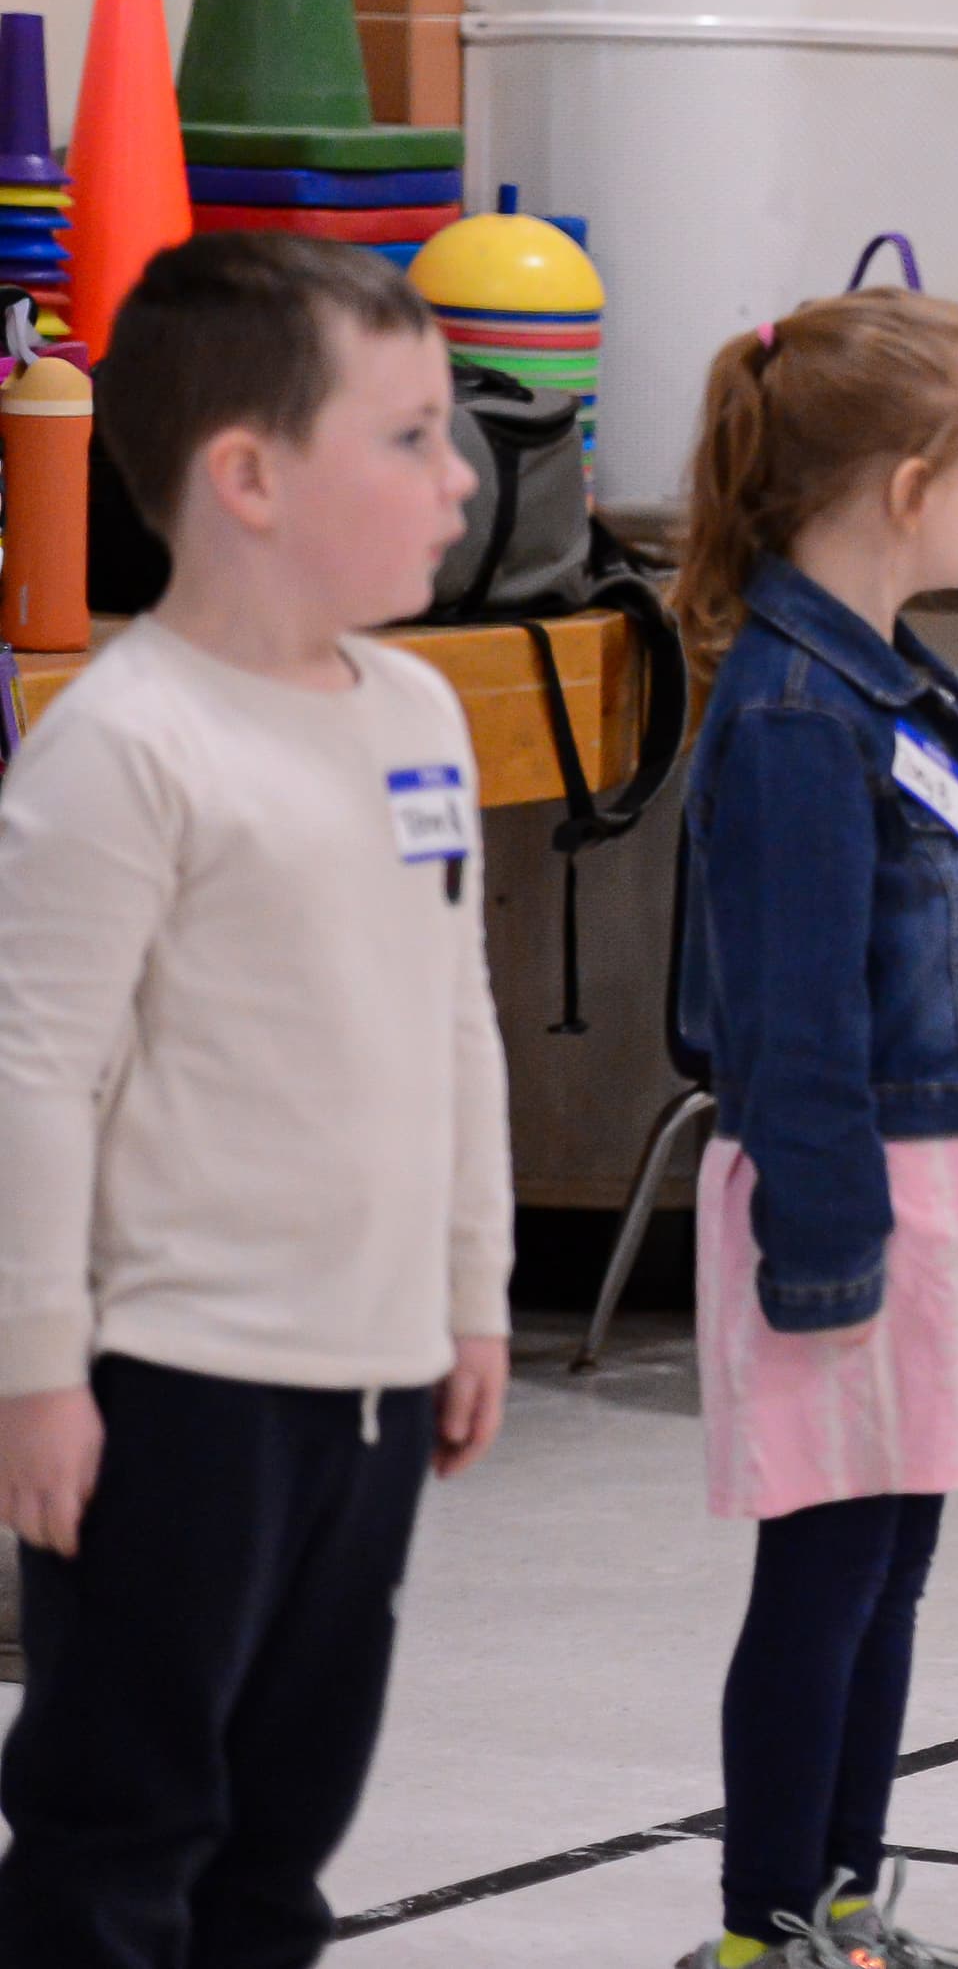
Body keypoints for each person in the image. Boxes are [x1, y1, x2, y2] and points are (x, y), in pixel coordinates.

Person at [0, 233, 512, 1967]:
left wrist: (468, 1294)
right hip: (173, 1385)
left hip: (365, 1383)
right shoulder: (125, 743)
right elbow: (33, 1074)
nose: (460, 483)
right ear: (247, 477)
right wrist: (37, 1368)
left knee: (284, 1834)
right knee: (120, 1817)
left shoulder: (422, 714)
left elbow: (456, 1017)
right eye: (411, 438)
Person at [667, 288, 958, 1969]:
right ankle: (762, 1925)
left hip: (942, 1176)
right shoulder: (792, 714)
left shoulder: (888, 683)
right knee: (827, 1575)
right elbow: (791, 1021)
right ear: (912, 485)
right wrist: (830, 1241)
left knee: (893, 1567)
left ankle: (842, 1899)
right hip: (852, 1198)